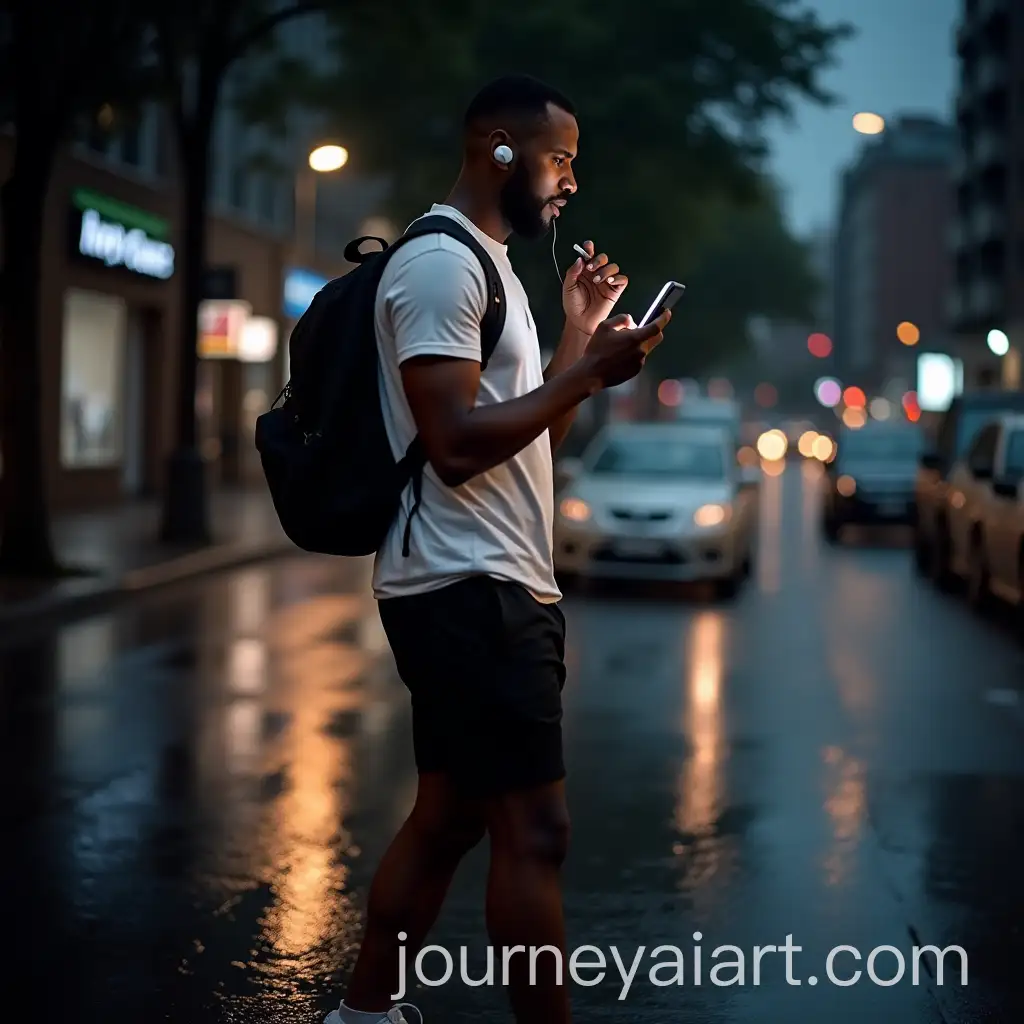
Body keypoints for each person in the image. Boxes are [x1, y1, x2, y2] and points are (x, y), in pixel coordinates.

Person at [326, 74, 670, 1024]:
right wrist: (592, 372)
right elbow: (454, 441)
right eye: (559, 159)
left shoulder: (495, 268)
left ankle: (364, 1016)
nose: (569, 183)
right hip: (467, 584)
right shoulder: (441, 267)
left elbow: (527, 444)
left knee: (450, 820)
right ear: (499, 148)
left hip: (495, 577)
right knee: (536, 828)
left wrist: (579, 340)